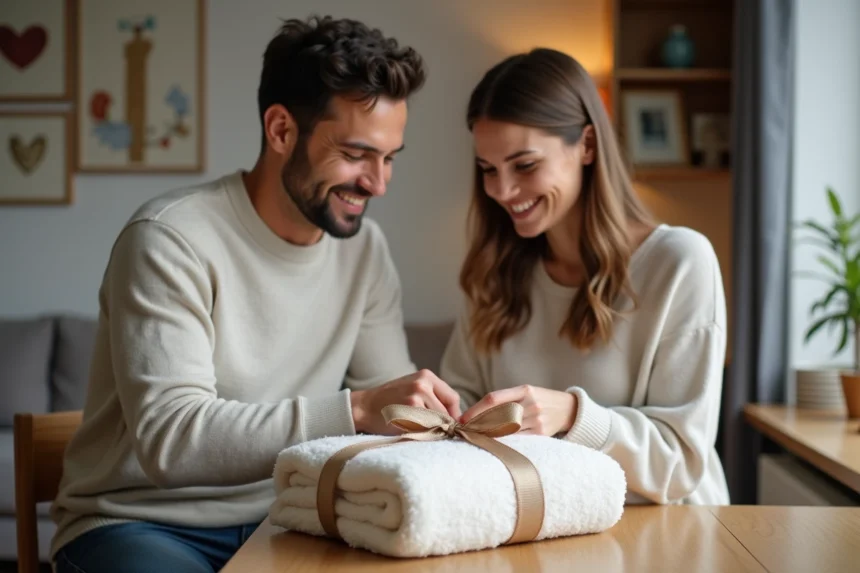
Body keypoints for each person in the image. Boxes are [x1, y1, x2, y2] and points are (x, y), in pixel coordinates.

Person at [51, 16, 462, 573]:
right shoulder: (169, 239)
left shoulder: (364, 251)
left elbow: (389, 416)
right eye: (356, 154)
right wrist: (358, 409)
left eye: (389, 158)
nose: (378, 183)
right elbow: (172, 441)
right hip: (139, 522)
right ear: (281, 130)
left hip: (291, 514)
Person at [439, 48, 730, 506]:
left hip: (669, 534)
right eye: (488, 170)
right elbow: (461, 404)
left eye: (525, 165)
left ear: (588, 145)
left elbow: (681, 464)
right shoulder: (496, 271)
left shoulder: (679, 261)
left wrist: (573, 415)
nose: (502, 190)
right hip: (534, 525)